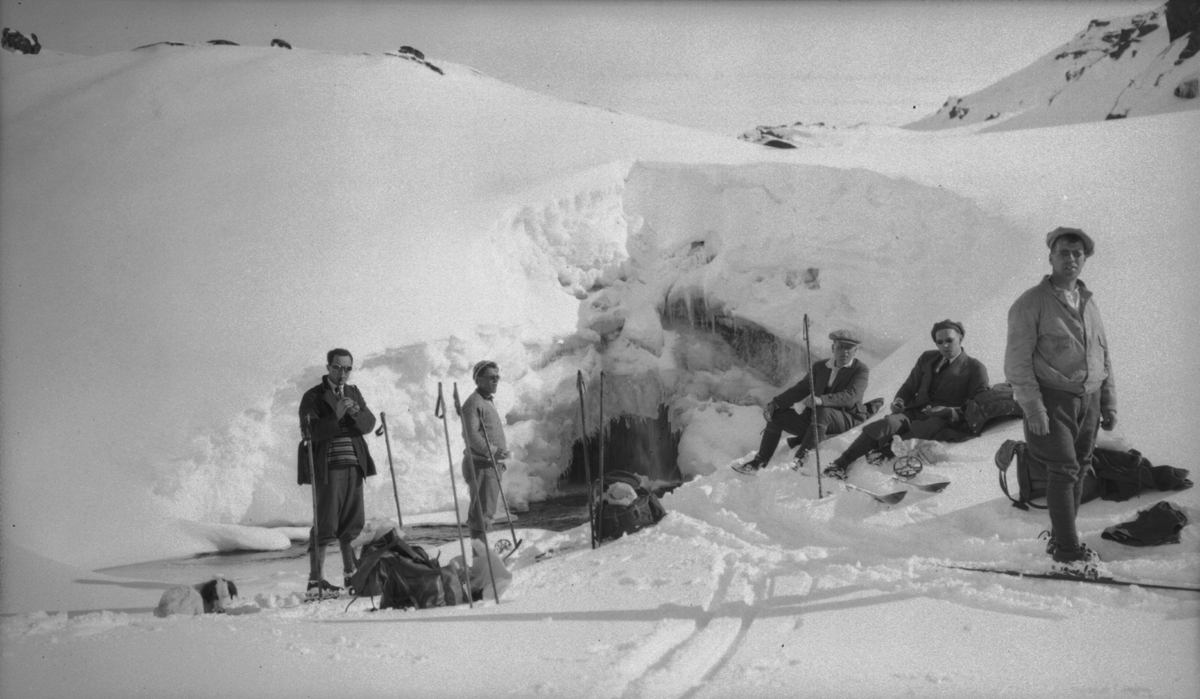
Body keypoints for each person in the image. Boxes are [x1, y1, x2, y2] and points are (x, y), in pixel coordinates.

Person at [1005, 227, 1116, 569]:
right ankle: (1068, 553)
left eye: (1077, 254)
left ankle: (1060, 536)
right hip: (1053, 400)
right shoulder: (1031, 303)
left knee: (1080, 469)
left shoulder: (1088, 301)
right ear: (1050, 257)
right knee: (1064, 471)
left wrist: (1108, 401)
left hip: (1090, 400)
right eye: (1064, 252)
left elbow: (1103, 354)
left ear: (1085, 259)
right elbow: (1017, 363)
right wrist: (1033, 408)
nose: (1071, 259)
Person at [823, 319, 990, 480]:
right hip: (915, 411)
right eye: (939, 342)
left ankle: (884, 453)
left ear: (960, 338)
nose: (944, 345)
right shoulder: (928, 358)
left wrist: (949, 411)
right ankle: (841, 463)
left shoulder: (975, 368)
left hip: (945, 419)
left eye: (949, 340)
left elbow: (979, 405)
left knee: (926, 428)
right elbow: (910, 386)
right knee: (886, 424)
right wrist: (900, 401)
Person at [733, 329, 870, 475]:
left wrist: (821, 400)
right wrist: (775, 404)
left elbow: (852, 396)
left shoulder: (860, 370)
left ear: (856, 351)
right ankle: (760, 461)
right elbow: (801, 389)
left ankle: (799, 460)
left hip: (844, 418)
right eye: (840, 347)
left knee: (823, 411)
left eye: (849, 348)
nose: (845, 352)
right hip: (816, 420)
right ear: (833, 348)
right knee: (778, 415)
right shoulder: (820, 367)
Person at [298, 348, 377, 599]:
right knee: (326, 522)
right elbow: (309, 431)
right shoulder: (313, 396)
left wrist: (355, 413)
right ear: (328, 367)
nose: (342, 373)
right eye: (337, 367)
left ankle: (350, 574)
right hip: (329, 467)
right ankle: (315, 581)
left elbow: (369, 424)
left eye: (347, 368)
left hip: (355, 464)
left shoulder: (353, 392)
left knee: (353, 521)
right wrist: (337, 415)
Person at [461, 360, 511, 545]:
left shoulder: (486, 400)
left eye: (497, 377)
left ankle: (483, 556)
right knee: (481, 514)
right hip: (481, 464)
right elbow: (471, 436)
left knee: (486, 510)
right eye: (491, 377)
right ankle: (481, 560)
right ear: (479, 380)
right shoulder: (473, 404)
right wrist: (493, 451)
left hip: (490, 463)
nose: (496, 380)